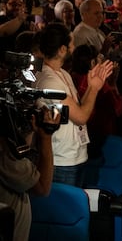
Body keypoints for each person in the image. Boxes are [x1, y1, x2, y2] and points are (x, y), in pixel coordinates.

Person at [33, 22, 113, 187]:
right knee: (64, 210)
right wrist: (94, 87)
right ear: (62, 49)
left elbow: (77, 109)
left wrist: (91, 87)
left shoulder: (62, 73)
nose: (74, 46)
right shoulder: (49, 80)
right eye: (71, 43)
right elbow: (81, 117)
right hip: (62, 160)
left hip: (74, 156)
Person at [0, 106, 61, 241]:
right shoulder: (4, 151)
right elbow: (42, 188)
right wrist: (46, 137)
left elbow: (24, 153)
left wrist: (30, 132)